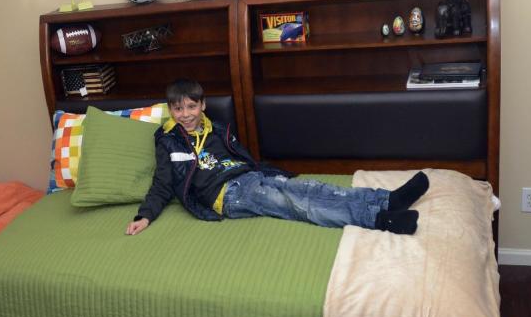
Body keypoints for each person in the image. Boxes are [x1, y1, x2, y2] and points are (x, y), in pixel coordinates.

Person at [125, 79, 428, 236]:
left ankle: (386, 200)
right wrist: (145, 214)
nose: (185, 114)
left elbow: (242, 159)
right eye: (178, 109)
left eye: (191, 106)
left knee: (311, 189)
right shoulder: (168, 141)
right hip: (226, 196)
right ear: (170, 110)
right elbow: (162, 183)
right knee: (297, 205)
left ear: (203, 105)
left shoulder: (216, 129)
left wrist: (267, 172)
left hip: (247, 178)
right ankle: (378, 219)